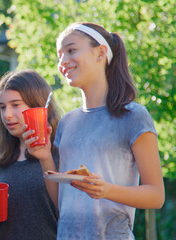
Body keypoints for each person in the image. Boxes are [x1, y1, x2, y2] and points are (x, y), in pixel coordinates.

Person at [41, 22, 165, 239]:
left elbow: (156, 196)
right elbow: (61, 201)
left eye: (71, 50)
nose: (62, 62)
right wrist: (43, 155)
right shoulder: (66, 123)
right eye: (59, 55)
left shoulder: (134, 116)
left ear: (100, 53)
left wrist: (105, 190)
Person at [0, 69, 61, 240]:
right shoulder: (4, 160)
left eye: (16, 105)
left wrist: (46, 159)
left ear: (37, 106)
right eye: (2, 107)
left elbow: (70, 212)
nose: (7, 114)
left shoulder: (61, 152)